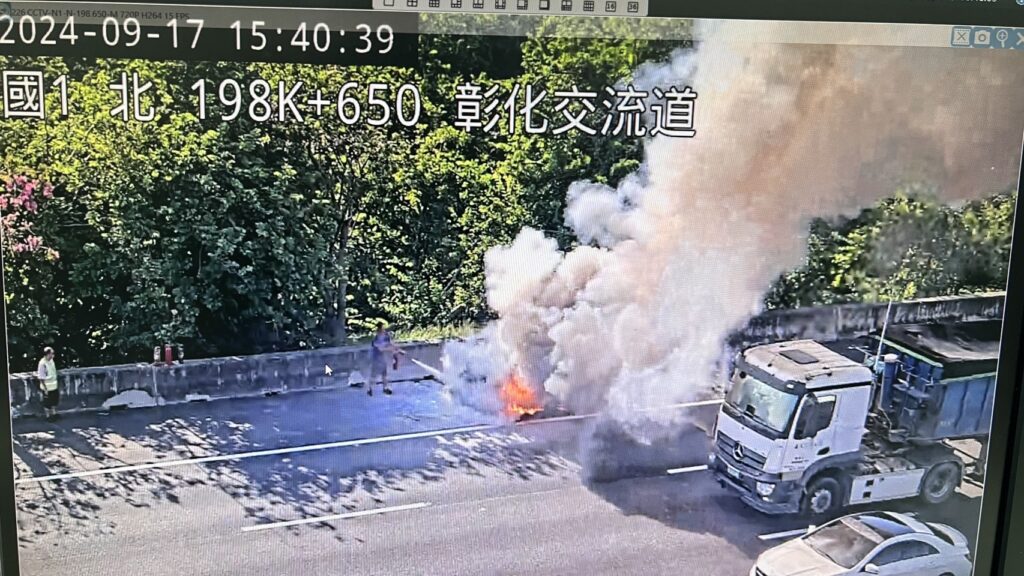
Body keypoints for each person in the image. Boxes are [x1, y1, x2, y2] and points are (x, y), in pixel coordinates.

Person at [368, 322, 404, 396]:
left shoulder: (386, 336)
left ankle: (385, 388)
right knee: (374, 375)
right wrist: (391, 349)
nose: (384, 330)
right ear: (379, 329)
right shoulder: (375, 338)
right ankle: (369, 388)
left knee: (384, 373)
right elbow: (381, 349)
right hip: (375, 358)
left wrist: (399, 350)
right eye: (383, 328)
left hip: (381, 358)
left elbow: (391, 343)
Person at [37, 346, 59, 421]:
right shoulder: (42, 364)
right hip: (47, 387)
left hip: (54, 386)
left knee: (54, 402)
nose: (53, 355)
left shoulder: (51, 361)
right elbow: (41, 377)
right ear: (48, 354)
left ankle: (54, 414)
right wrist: (45, 389)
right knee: (47, 403)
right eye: (52, 353)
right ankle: (48, 416)